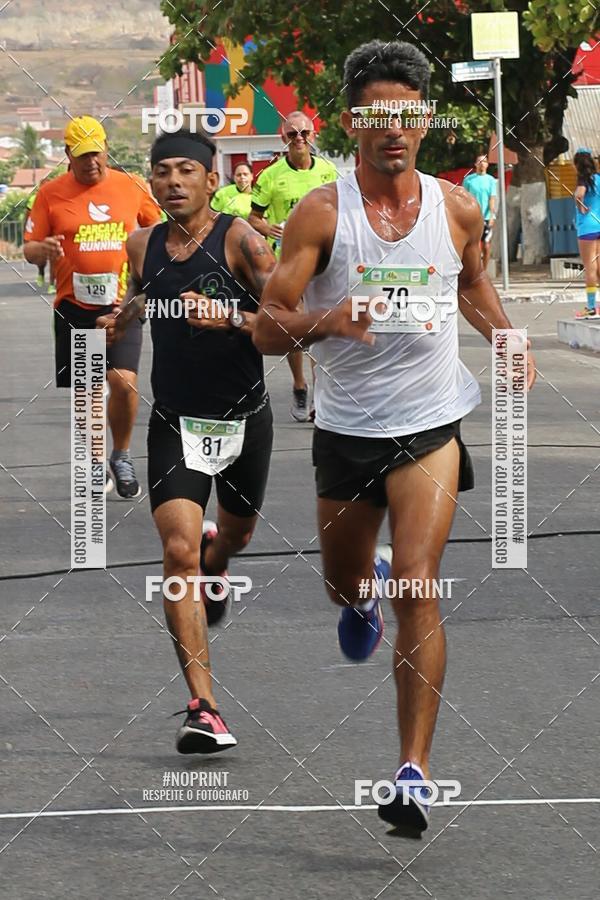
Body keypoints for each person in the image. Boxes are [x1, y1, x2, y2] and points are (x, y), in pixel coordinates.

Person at [254, 40, 536, 834]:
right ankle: (360, 588)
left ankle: (412, 771)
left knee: (420, 581)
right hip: (347, 430)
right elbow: (268, 331)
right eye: (378, 116)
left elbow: (473, 279)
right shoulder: (323, 212)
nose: (393, 130)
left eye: (408, 115)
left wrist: (507, 337)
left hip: (430, 422)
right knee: (348, 588)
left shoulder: (455, 207)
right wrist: (324, 320)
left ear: (423, 121)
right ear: (353, 122)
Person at [98, 128, 276, 754]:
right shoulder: (140, 243)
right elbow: (150, 291)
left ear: (209, 179)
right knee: (177, 554)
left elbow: (290, 322)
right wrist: (125, 312)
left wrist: (229, 316)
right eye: (161, 171)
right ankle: (204, 708)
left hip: (243, 419)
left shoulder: (242, 240)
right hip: (174, 421)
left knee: (236, 535)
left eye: (185, 171)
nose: (172, 182)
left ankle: (219, 559)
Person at [23, 115, 162, 498]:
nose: (92, 163)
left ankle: (121, 453)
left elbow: (159, 229)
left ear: (106, 150)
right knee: (86, 390)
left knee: (124, 382)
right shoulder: (51, 193)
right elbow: (30, 247)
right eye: (83, 156)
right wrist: (43, 250)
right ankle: (97, 460)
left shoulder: (130, 186)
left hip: (123, 305)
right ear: (69, 155)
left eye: (97, 154)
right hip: (74, 306)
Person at [249, 111, 337, 422]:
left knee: (322, 328)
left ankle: (320, 395)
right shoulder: (271, 176)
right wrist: (267, 227)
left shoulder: (328, 172)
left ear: (313, 136)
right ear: (283, 138)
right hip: (286, 262)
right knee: (298, 328)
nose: (299, 139)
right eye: (292, 134)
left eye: (304, 133)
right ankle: (300, 385)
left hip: (325, 261)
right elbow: (253, 217)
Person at [573, 148, 600, 318]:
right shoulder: (598, 179)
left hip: (587, 228)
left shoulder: (583, 180)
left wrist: (580, 207)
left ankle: (591, 306)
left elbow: (578, 195)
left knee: (590, 267)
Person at [462, 155, 497, 271]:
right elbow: (464, 198)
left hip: (486, 217)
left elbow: (492, 198)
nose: (482, 164)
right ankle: (474, 270)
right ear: (476, 164)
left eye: (485, 161)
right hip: (473, 218)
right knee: (474, 245)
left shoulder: (491, 180)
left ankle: (484, 271)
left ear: (487, 164)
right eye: (480, 161)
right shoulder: (468, 180)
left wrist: (492, 215)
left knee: (486, 245)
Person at [26, 187, 55, 294]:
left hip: (53, 231)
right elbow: (28, 216)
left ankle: (52, 284)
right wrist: (27, 232)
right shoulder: (34, 199)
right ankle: (41, 272)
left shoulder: (56, 197)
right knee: (41, 258)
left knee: (54, 258)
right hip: (40, 230)